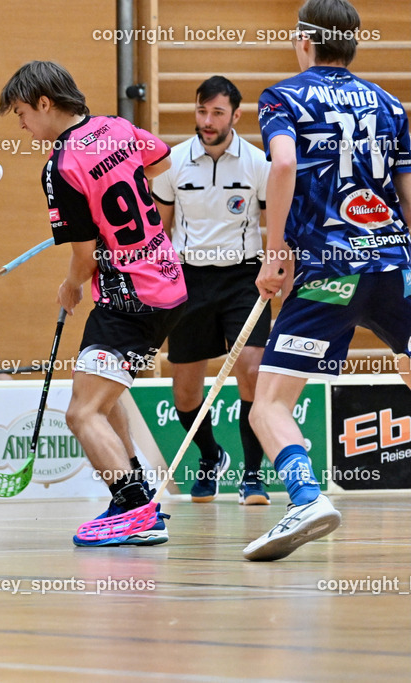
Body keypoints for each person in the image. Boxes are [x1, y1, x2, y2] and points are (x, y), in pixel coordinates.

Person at [244, 0, 411, 561]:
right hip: (395, 265)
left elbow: (284, 165)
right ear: (354, 44)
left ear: (304, 41)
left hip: (328, 274)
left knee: (269, 404)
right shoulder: (391, 104)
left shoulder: (283, 97)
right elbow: (409, 196)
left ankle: (306, 498)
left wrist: (275, 252)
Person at [0, 60, 185, 546]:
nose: (22, 125)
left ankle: (133, 511)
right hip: (166, 282)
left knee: (81, 414)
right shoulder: (118, 128)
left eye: (21, 113)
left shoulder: (60, 166)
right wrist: (148, 219)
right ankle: (136, 493)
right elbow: (163, 164)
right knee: (104, 390)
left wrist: (71, 287)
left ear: (44, 102)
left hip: (128, 298)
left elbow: (84, 256)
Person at [151, 76, 272, 505]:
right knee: (184, 391)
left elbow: (274, 225)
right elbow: (159, 230)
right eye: (202, 111)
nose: (207, 120)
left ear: (236, 116)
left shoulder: (259, 163)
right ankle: (209, 455)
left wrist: (279, 267)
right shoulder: (173, 162)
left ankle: (253, 476)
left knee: (254, 374)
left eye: (217, 112)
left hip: (244, 280)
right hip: (189, 281)